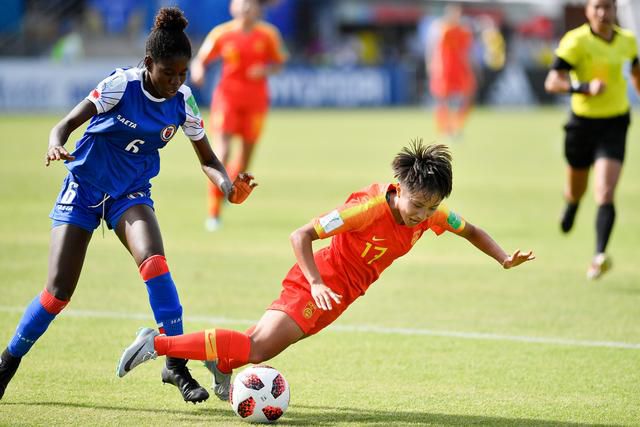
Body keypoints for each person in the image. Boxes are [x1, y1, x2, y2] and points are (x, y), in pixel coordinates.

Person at [116, 141, 535, 401]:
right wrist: (315, 282)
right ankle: (158, 344)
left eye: (430, 207)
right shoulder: (366, 210)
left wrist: (501, 257)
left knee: (256, 345)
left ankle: (221, 365)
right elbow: (300, 235)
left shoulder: (432, 214)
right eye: (416, 205)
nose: (421, 216)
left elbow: (471, 230)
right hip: (316, 284)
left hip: (338, 295)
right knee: (257, 348)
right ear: (399, 187)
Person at [0, 7, 257, 403]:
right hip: (84, 188)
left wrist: (228, 187)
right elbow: (64, 125)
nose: (175, 82)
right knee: (57, 293)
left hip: (130, 193)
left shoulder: (184, 101)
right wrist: (56, 143)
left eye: (182, 74)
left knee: (155, 261)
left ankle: (175, 365)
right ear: (150, 63)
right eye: (168, 73)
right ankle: (7, 363)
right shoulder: (121, 85)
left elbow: (207, 158)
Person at [544, 0, 640, 279]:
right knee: (577, 190)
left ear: (615, 10)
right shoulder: (575, 42)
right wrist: (583, 87)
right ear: (587, 11)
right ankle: (572, 205)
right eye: (597, 7)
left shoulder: (629, 41)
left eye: (608, 7)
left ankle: (599, 256)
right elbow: (553, 82)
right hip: (582, 126)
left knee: (606, 192)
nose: (603, 13)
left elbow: (636, 75)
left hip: (615, 123)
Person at [190, 0, 288, 231]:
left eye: (250, 4)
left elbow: (280, 62)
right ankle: (213, 213)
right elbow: (200, 59)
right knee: (221, 153)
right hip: (227, 99)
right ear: (233, 7)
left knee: (244, 162)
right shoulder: (222, 33)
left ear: (258, 9)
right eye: (241, 3)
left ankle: (228, 190)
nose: (245, 8)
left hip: (255, 102)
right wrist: (198, 70)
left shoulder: (268, 34)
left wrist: (264, 70)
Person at [427, 5, 476, 140]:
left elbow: (467, 52)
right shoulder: (441, 29)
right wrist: (431, 65)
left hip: (460, 69)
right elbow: (432, 48)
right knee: (443, 100)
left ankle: (457, 126)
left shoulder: (464, 31)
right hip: (444, 69)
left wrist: (471, 68)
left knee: (467, 97)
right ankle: (445, 128)